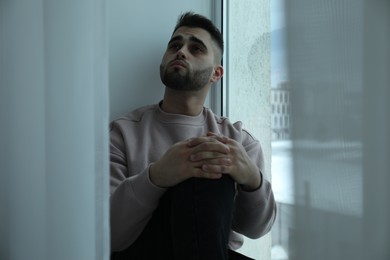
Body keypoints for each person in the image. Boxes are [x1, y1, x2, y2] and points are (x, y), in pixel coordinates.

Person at [109, 12, 276, 260]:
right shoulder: (122, 132)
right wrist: (158, 175)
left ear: (216, 74)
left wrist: (252, 179)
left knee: (211, 160)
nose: (181, 52)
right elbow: (109, 233)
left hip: (216, 251)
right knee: (206, 166)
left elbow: (256, 229)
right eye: (175, 45)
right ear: (162, 64)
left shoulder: (238, 140)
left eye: (196, 48)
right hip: (143, 252)